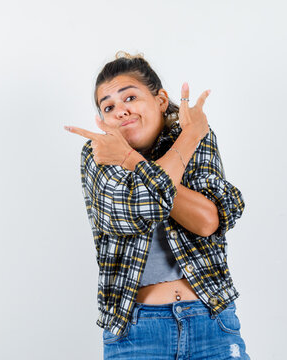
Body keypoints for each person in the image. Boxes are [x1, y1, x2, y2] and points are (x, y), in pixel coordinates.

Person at [64, 51, 249, 359]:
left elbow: (206, 222)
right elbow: (135, 212)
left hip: (212, 322)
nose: (120, 111)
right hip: (137, 332)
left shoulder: (196, 137)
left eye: (130, 98)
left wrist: (136, 165)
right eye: (108, 106)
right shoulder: (98, 154)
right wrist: (187, 139)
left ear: (161, 100)